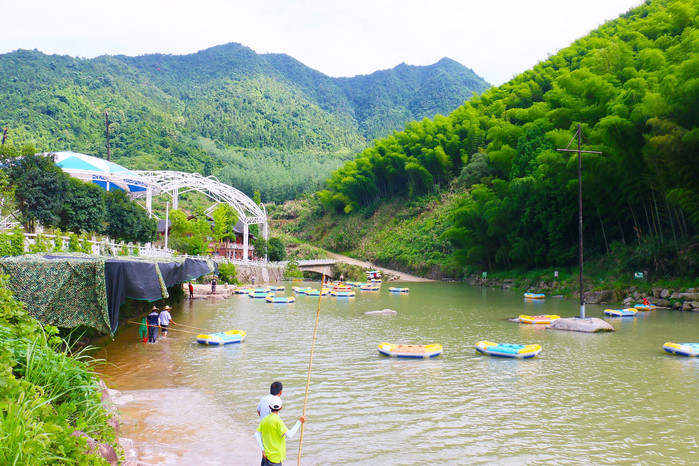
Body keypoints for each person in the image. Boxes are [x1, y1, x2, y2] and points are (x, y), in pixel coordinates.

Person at [255, 396, 306, 466]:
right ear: (281, 408)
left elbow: (256, 435)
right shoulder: (278, 421)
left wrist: (263, 450)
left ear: (270, 406)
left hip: (265, 456)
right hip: (276, 459)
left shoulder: (264, 419)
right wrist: (299, 422)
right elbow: (290, 435)